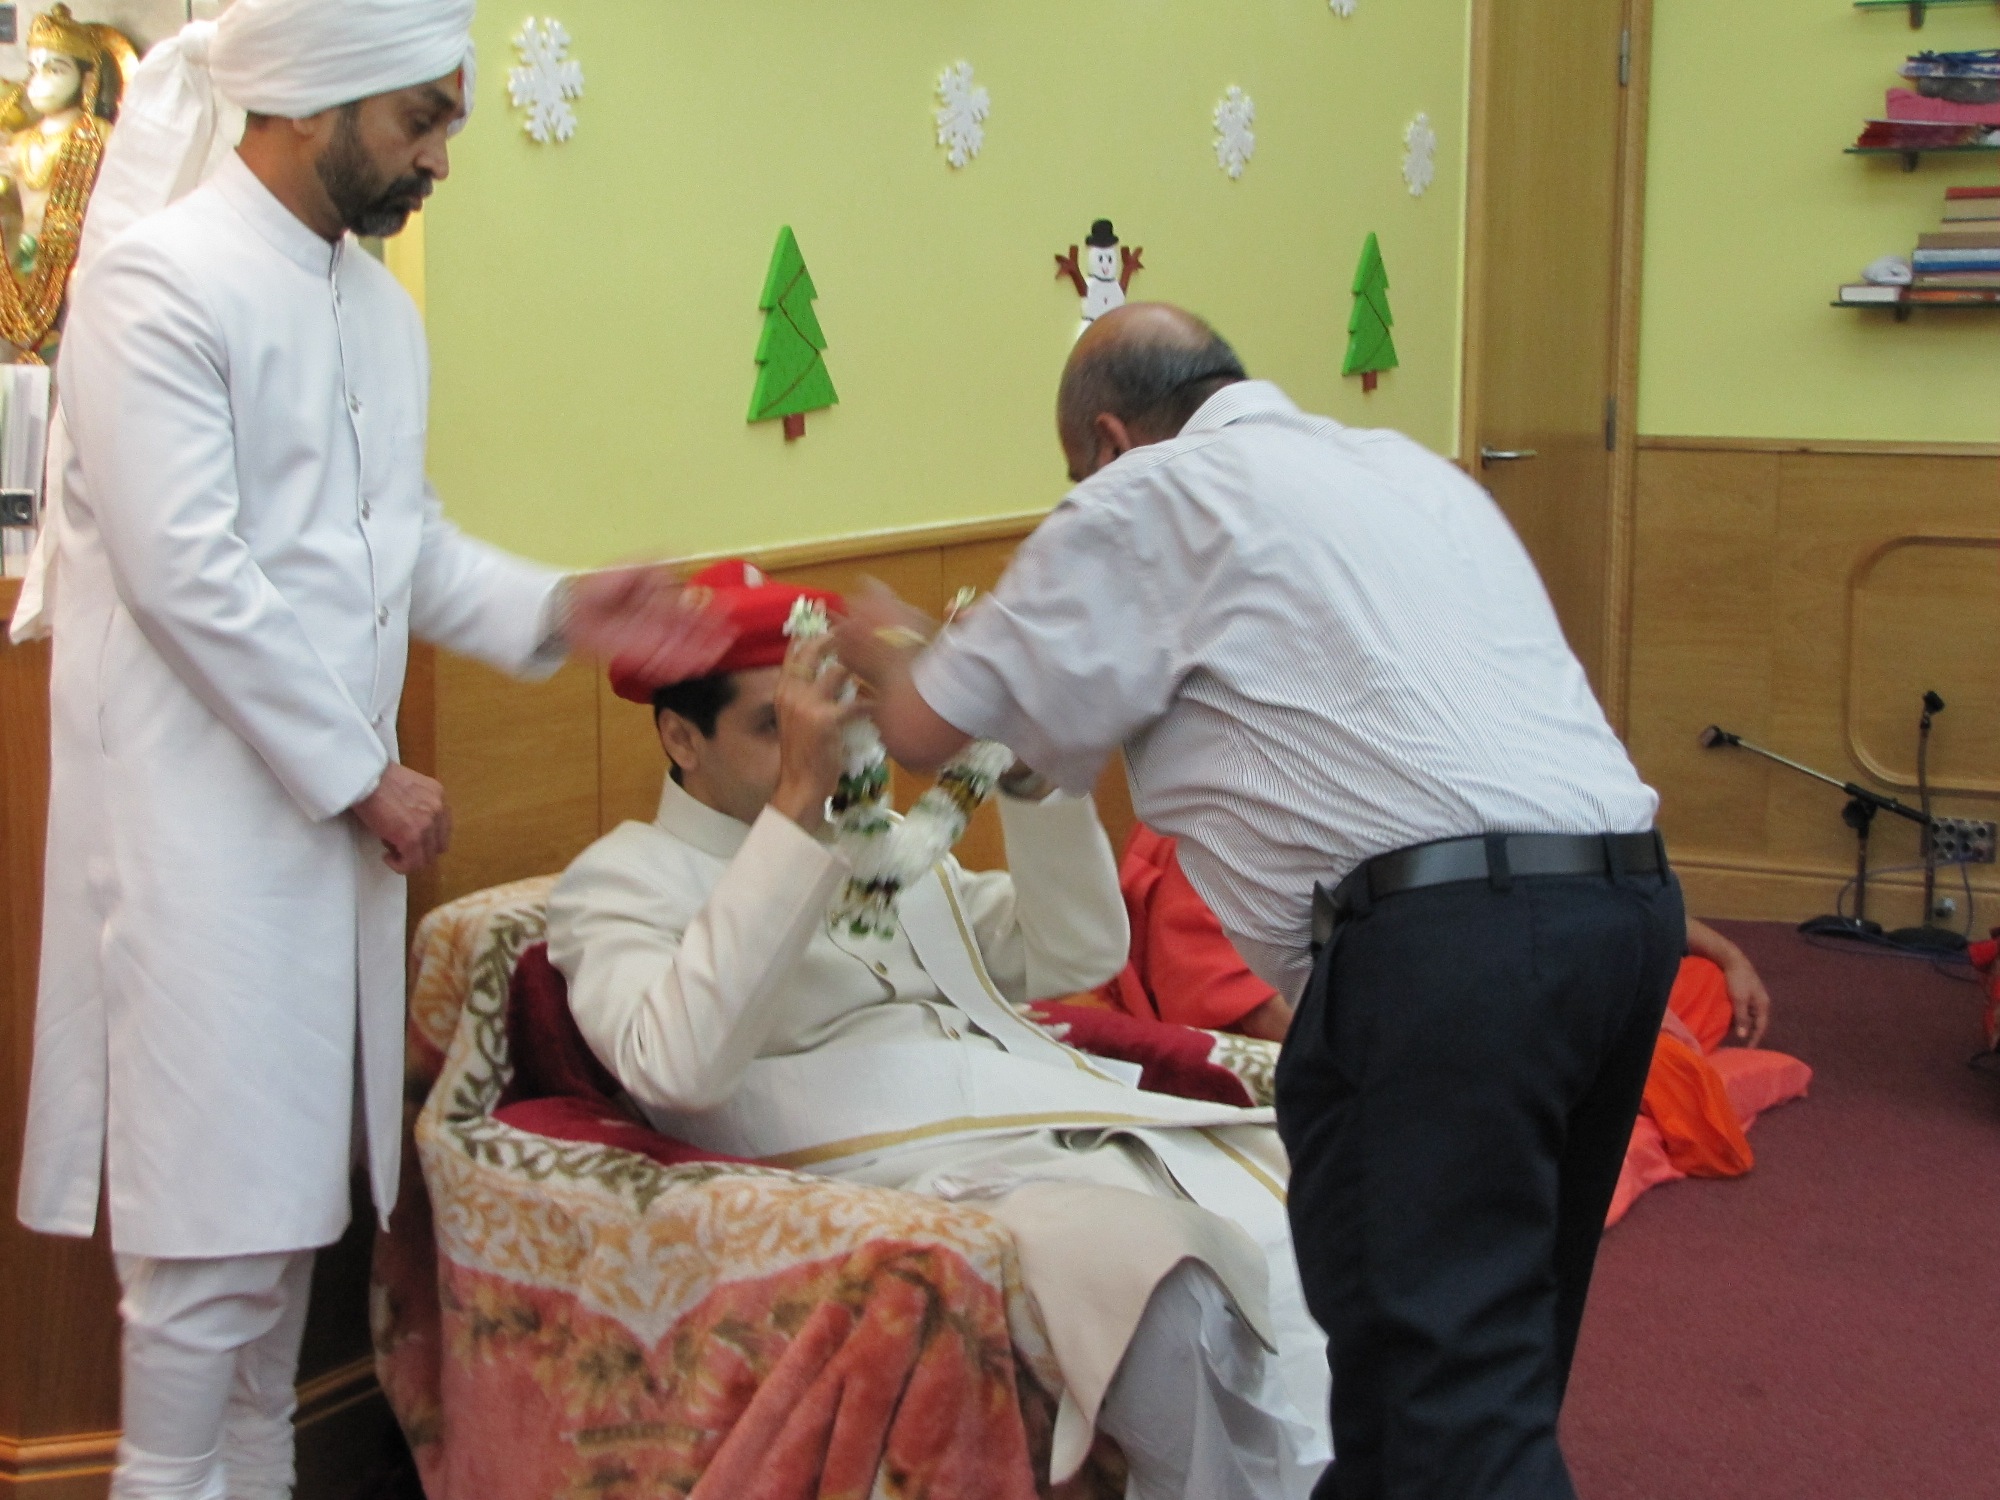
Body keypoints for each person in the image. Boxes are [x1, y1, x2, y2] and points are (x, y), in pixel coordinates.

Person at [12, 5, 728, 1498]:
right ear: (314, 101)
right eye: (421, 118)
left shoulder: (377, 312)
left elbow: (396, 544)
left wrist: (559, 605)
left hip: (324, 868)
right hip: (200, 862)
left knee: (276, 1300)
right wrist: (368, 777)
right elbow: (187, 575)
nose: (440, 157)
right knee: (200, 1301)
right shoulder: (156, 285)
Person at [836, 301, 1683, 1499]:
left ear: (1108, 441)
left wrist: (888, 641)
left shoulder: (1140, 496)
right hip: (1626, 911)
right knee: (1444, 1365)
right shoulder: (1400, 470)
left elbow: (928, 723)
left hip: (1451, 947)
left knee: (1449, 1404)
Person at [546, 560, 1331, 1500]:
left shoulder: (870, 841)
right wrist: (796, 810)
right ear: (682, 736)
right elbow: (676, 1069)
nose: (829, 755)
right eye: (777, 727)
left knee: (1327, 1204)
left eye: (830, 723)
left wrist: (1030, 771)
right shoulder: (623, 879)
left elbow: (1073, 951)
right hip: (890, 1181)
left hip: (1043, 1126)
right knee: (1177, 1288)